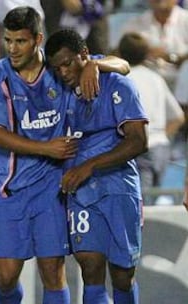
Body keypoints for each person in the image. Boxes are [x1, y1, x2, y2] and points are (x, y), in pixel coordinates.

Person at [0, 6, 130, 304]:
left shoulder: (60, 68)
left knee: (52, 271)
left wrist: (95, 66)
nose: (12, 48)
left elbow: (123, 64)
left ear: (38, 39)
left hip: (52, 189)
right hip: (9, 189)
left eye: (20, 41)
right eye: (8, 40)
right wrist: (46, 148)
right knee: (5, 276)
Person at [45, 28, 148, 304]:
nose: (64, 72)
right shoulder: (59, 91)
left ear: (84, 55)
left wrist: (90, 165)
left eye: (68, 63)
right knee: (90, 267)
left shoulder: (117, 84)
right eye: (57, 68)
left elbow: (138, 142)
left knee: (123, 274)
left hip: (119, 187)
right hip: (81, 193)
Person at [118, 32, 184, 204]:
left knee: (142, 207)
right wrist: (161, 136)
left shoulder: (121, 80)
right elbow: (178, 117)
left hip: (138, 148)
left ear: (120, 53)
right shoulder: (156, 78)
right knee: (152, 202)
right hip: (161, 148)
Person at [119, 0, 188, 90]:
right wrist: (141, 54)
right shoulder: (134, 25)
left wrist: (172, 58)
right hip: (148, 86)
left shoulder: (185, 20)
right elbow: (119, 56)